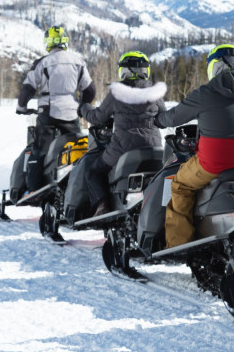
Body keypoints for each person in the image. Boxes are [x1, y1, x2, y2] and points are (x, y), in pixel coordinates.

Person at [154, 44, 234, 248]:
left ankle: (178, 245)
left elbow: (175, 117)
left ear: (216, 67)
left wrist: (158, 120)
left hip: (213, 163)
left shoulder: (206, 92)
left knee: (180, 186)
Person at [78, 51, 167, 217]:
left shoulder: (118, 92)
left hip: (123, 146)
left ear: (125, 70)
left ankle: (102, 205)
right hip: (154, 147)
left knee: (93, 171)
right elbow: (163, 116)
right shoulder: (155, 92)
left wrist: (84, 108)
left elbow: (98, 117)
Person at [16, 25, 96, 190]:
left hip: (48, 114)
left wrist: (21, 106)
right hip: (72, 114)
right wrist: (82, 108)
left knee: (40, 150)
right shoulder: (79, 62)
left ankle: (35, 188)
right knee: (76, 149)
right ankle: (77, 187)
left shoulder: (43, 62)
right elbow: (90, 90)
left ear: (49, 42)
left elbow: (28, 87)